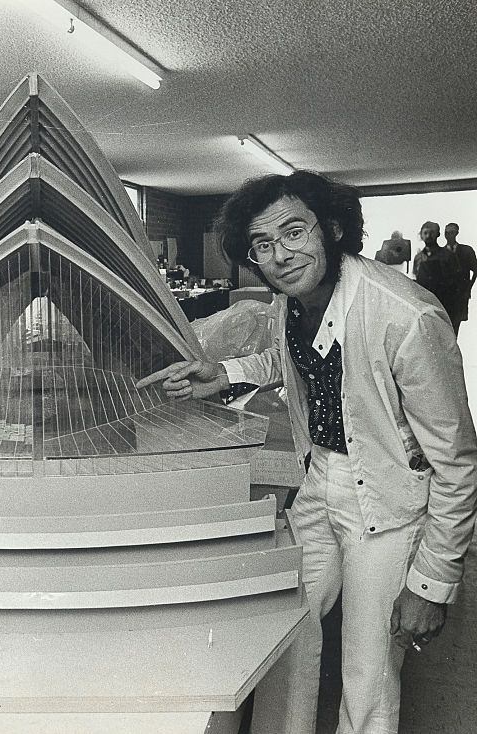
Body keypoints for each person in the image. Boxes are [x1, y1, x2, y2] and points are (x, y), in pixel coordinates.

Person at [136, 171, 477, 734]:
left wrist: (432, 582)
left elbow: (458, 463)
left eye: (294, 232)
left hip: (387, 505)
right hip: (318, 478)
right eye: (262, 245)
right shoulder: (290, 303)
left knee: (368, 669)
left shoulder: (407, 317)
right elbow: (289, 358)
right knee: (283, 627)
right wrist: (222, 373)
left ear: (334, 228)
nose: (280, 255)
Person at [412, 221, 464, 333]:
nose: (428, 236)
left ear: (438, 234)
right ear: (421, 235)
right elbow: (415, 280)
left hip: (446, 305)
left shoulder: (448, 255)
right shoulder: (418, 258)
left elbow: (458, 283)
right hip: (425, 306)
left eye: (432, 233)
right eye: (425, 233)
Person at [445, 222, 477, 329]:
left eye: (452, 232)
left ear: (457, 233)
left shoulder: (466, 251)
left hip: (460, 295)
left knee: (456, 323)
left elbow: (475, 271)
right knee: (446, 322)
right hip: (445, 295)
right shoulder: (440, 253)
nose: (449, 235)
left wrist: (468, 289)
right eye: (447, 233)